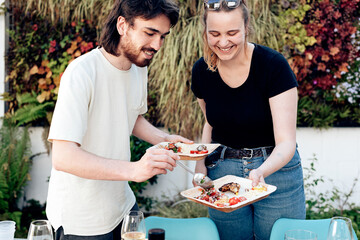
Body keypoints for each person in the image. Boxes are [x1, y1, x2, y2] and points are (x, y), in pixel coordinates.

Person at [46, 1, 192, 239]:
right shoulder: (82, 72)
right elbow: (63, 157)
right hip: (82, 221)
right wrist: (135, 170)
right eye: (150, 33)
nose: (157, 45)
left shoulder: (138, 68)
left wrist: (165, 139)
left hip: (123, 208)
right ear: (123, 25)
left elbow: (129, 116)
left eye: (163, 36)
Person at [191, 0, 306, 239]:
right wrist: (200, 165)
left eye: (232, 33)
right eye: (214, 34)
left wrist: (261, 172)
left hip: (275, 171)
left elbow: (286, 142)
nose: (223, 42)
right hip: (222, 170)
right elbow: (210, 123)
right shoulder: (202, 70)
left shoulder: (273, 66)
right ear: (205, 32)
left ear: (246, 27)